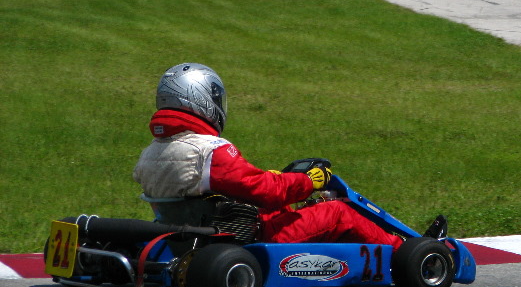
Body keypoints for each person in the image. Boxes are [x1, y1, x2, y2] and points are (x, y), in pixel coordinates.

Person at [133, 63, 438, 248]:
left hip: (192, 236)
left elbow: (229, 187)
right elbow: (265, 192)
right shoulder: (209, 150)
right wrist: (308, 182)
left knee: (289, 208)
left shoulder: (151, 153)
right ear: (200, 100)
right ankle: (409, 251)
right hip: (244, 238)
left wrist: (276, 178)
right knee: (338, 212)